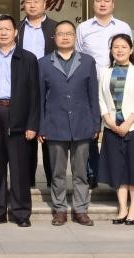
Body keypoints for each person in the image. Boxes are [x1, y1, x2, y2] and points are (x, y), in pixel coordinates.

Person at [39, 20, 100, 227]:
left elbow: (93, 95)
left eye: (69, 34)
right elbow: (40, 98)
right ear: (54, 37)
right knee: (57, 172)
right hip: (55, 125)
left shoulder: (87, 62)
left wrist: (96, 123)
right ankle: (60, 209)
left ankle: (81, 210)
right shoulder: (44, 63)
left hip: (82, 124)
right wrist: (41, 126)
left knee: (80, 172)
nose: (65, 37)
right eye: (61, 34)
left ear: (75, 37)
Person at [0, 15, 39, 227]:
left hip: (19, 115)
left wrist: (33, 124)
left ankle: (21, 213)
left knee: (19, 167)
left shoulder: (28, 58)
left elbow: (35, 94)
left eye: (7, 29)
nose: (3, 32)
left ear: (16, 32)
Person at [75, 0, 131, 189]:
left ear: (113, 4)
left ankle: (119, 172)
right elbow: (78, 57)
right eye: (98, 0)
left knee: (117, 127)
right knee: (90, 130)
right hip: (90, 85)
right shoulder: (83, 28)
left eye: (107, 0)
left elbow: (128, 54)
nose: (102, 4)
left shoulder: (123, 27)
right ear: (93, 3)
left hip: (117, 82)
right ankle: (92, 173)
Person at [98, 34, 134, 226]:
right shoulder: (105, 72)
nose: (119, 50)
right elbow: (101, 99)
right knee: (117, 169)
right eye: (115, 47)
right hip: (112, 127)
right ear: (111, 50)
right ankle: (122, 208)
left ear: (131, 50)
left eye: (123, 47)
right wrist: (109, 122)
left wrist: (127, 124)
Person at [17, 0, 58, 188]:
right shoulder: (17, 28)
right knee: (27, 133)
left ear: (45, 4)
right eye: (28, 2)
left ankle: (52, 181)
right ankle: (28, 181)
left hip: (50, 85)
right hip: (22, 86)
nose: (32, 5)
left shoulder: (56, 28)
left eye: (36, 2)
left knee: (50, 134)